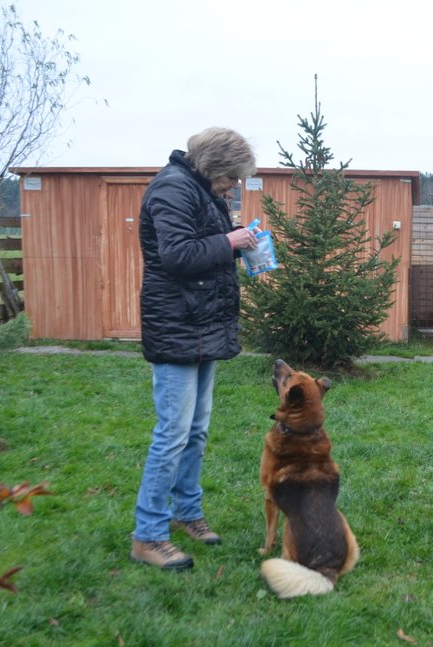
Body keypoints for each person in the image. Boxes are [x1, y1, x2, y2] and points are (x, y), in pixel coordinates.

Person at [131, 127, 258, 570]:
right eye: (231, 177)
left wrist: (238, 241)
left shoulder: (203, 191)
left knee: (196, 431)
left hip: (201, 327)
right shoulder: (172, 188)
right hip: (176, 328)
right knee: (171, 435)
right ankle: (148, 535)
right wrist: (229, 242)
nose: (233, 186)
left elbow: (205, 246)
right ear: (211, 166)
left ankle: (188, 512)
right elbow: (178, 255)